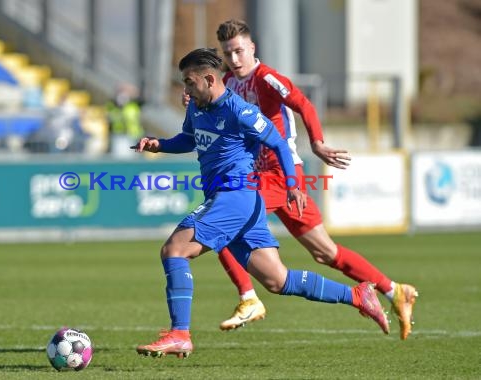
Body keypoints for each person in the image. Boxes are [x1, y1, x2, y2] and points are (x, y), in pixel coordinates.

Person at [133, 48, 389, 358]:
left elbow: (278, 143)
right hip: (237, 201)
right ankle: (358, 295)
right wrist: (159, 145)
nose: (186, 91)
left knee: (174, 250)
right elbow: (190, 139)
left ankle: (180, 334)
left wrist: (293, 186)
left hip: (236, 194)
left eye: (189, 82)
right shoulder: (197, 109)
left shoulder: (240, 111)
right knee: (277, 280)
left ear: (210, 79)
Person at [191, 19, 416, 340]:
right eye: (229, 53)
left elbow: (303, 104)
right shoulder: (227, 81)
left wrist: (318, 142)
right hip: (261, 177)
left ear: (252, 48)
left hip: (280, 175)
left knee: (218, 220)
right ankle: (394, 291)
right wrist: (193, 99)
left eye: (239, 50)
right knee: (326, 253)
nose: (235, 58)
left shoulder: (267, 78)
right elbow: (211, 104)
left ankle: (248, 298)